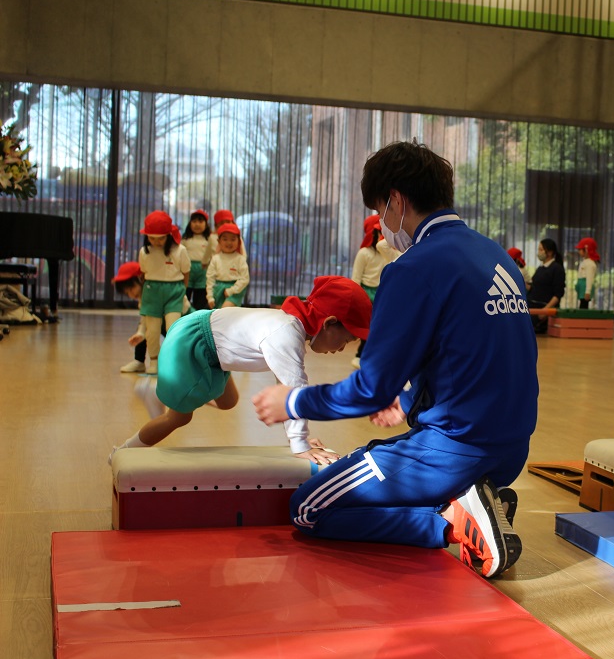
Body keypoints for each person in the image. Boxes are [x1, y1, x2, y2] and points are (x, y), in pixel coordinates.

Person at [251, 141, 539, 579]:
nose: (382, 226)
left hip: (452, 452)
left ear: (395, 201)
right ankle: (480, 502)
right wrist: (406, 400)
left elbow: (369, 390)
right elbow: (466, 349)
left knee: (308, 508)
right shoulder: (497, 256)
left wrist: (292, 401)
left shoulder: (412, 267)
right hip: (512, 449)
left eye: (378, 210)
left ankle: (453, 522)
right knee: (371, 467)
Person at [114, 276, 372, 465]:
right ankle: (121, 452)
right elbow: (294, 390)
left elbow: (285, 391)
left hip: (211, 348)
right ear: (329, 323)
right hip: (193, 344)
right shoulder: (286, 334)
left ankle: (165, 390)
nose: (341, 349)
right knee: (179, 418)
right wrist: (300, 445)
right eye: (346, 340)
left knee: (229, 401)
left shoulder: (292, 329)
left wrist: (299, 439)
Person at [113, 262, 192, 373]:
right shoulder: (144, 297)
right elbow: (145, 319)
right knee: (143, 327)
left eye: (131, 289)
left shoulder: (156, 288)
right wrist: (141, 333)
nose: (131, 295)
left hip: (182, 319)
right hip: (162, 323)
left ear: (140, 279)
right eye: (127, 293)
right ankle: (139, 361)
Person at [138, 210, 191, 374]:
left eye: (161, 238)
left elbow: (186, 272)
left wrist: (182, 291)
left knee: (173, 327)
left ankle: (173, 360)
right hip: (151, 291)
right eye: (152, 238)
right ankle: (154, 361)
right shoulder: (144, 252)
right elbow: (144, 272)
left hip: (174, 290)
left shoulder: (179, 250)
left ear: (168, 235)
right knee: (152, 330)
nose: (156, 242)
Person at [350, 213, 400, 368]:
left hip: (382, 293)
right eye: (379, 231)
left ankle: (375, 357)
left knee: (381, 328)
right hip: (366, 294)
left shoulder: (388, 252)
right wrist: (356, 300)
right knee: (368, 328)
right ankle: (361, 355)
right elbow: (356, 278)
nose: (383, 234)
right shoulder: (364, 253)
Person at [206, 221, 250, 308]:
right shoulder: (215, 259)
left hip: (236, 290)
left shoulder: (240, 259)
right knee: (219, 313)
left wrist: (231, 290)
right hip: (218, 289)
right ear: (219, 241)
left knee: (225, 310)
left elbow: (245, 279)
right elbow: (210, 278)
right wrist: (210, 297)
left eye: (233, 239)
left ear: (239, 241)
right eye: (225, 239)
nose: (229, 243)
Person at [527, 238, 565, 334]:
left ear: (550, 252)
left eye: (541, 249)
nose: (539, 252)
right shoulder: (540, 268)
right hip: (532, 305)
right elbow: (534, 287)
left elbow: (558, 294)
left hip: (542, 308)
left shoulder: (557, 269)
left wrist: (545, 310)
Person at [182, 209, 213, 311]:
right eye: (194, 221)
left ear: (206, 224)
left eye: (200, 221)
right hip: (188, 271)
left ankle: (199, 318)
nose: (197, 224)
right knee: (185, 297)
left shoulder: (210, 239)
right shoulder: (185, 239)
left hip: (204, 271)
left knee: (201, 299)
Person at [574, 237, 600, 309]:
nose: (579, 251)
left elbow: (589, 278)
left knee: (583, 305)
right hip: (582, 285)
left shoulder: (590, 264)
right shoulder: (585, 261)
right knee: (582, 304)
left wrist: (588, 291)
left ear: (586, 250)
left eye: (580, 249)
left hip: (585, 286)